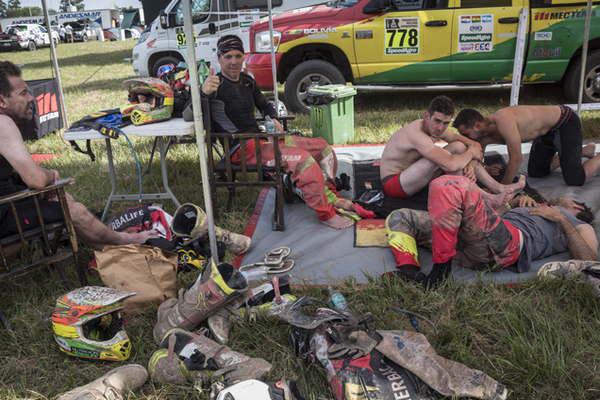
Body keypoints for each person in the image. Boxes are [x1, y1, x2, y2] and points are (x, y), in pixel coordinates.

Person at [201, 35, 365, 229]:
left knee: (323, 148)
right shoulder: (213, 85)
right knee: (302, 161)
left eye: (237, 55)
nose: (233, 61)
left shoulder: (247, 81)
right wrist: (203, 94)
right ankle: (325, 213)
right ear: (219, 58)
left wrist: (273, 118)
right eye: (228, 57)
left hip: (262, 140)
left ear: (244, 56)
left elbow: (264, 105)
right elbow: (195, 117)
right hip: (241, 148)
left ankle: (330, 196)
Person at [0, 61, 157, 249]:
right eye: (23, 93)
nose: (32, 98)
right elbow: (36, 180)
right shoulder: (2, 123)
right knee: (73, 210)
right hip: (5, 213)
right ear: (2, 101)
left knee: (62, 199)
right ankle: (127, 241)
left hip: (8, 201)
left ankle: (108, 245)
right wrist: (52, 175)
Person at [384, 174, 597, 286]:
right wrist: (512, 204)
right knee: (401, 216)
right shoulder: (540, 205)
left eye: (570, 199)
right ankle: (409, 270)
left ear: (577, 206)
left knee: (451, 184)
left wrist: (561, 219)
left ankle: (440, 271)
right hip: (477, 238)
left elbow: (590, 260)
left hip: (508, 246)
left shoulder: (577, 222)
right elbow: (488, 219)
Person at [379, 96, 524, 203]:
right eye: (437, 121)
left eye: (446, 123)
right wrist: (469, 154)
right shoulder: (416, 134)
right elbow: (450, 164)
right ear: (426, 116)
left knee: (459, 147)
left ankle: (499, 188)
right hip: (395, 184)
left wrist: (471, 165)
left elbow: (475, 145)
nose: (440, 128)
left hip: (414, 174)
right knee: (443, 160)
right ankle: (488, 198)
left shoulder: (438, 128)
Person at [453, 106, 600, 186]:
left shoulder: (503, 120)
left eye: (466, 133)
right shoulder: (482, 138)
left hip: (563, 122)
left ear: (477, 125)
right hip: (543, 134)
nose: (466, 139)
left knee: (575, 178)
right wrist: (486, 169)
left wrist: (504, 189)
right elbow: (477, 159)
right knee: (537, 172)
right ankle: (582, 151)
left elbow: (516, 158)